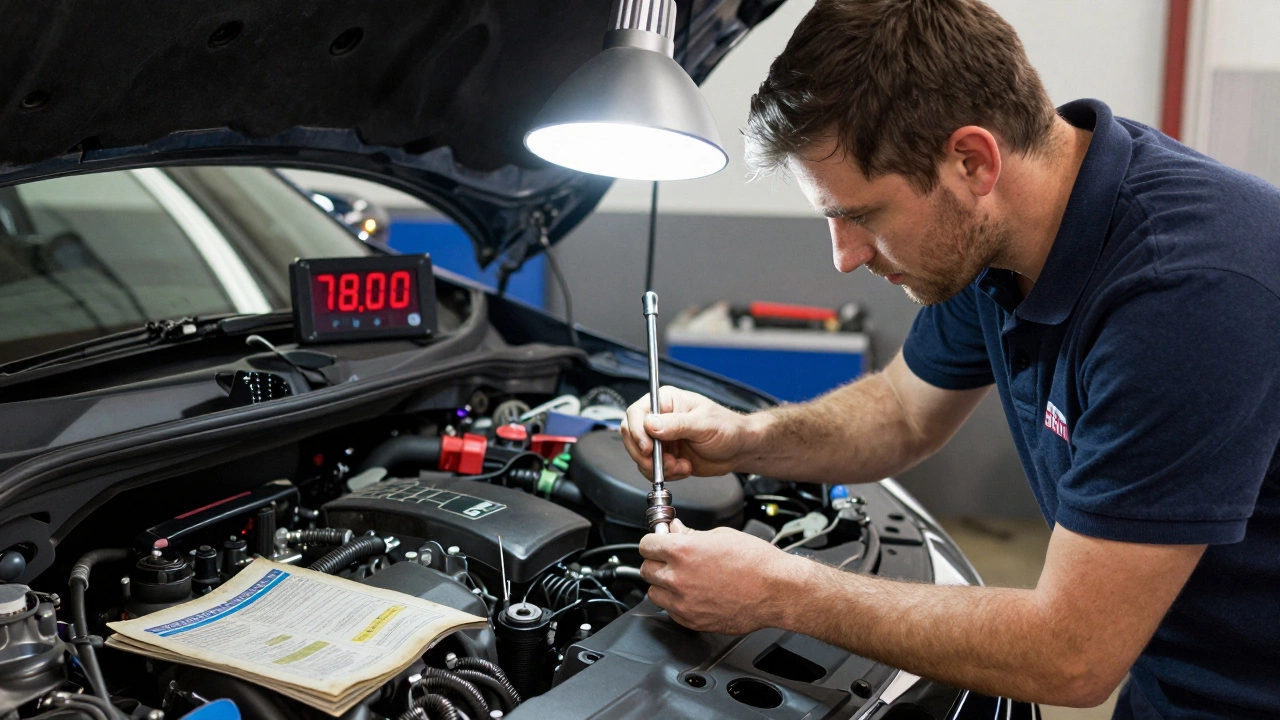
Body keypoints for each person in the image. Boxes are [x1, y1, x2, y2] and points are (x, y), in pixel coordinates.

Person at [619, 1, 1280, 718]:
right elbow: (904, 411)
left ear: (972, 160)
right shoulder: (998, 242)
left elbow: (1073, 654)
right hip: (1171, 678)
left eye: (861, 216)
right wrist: (747, 439)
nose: (844, 259)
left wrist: (781, 590)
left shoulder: (1185, 292)